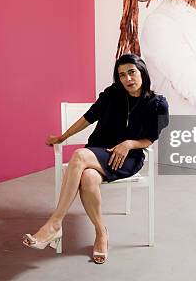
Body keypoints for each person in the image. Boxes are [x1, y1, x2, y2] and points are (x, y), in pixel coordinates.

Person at [22, 54, 169, 264]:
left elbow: (151, 138)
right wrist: (63, 137)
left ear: (142, 72)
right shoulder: (111, 94)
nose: (128, 78)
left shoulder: (159, 104)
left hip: (128, 157)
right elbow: (88, 118)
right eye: (122, 75)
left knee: (81, 157)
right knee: (88, 177)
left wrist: (128, 144)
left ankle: (54, 224)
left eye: (132, 72)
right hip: (99, 150)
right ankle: (101, 232)